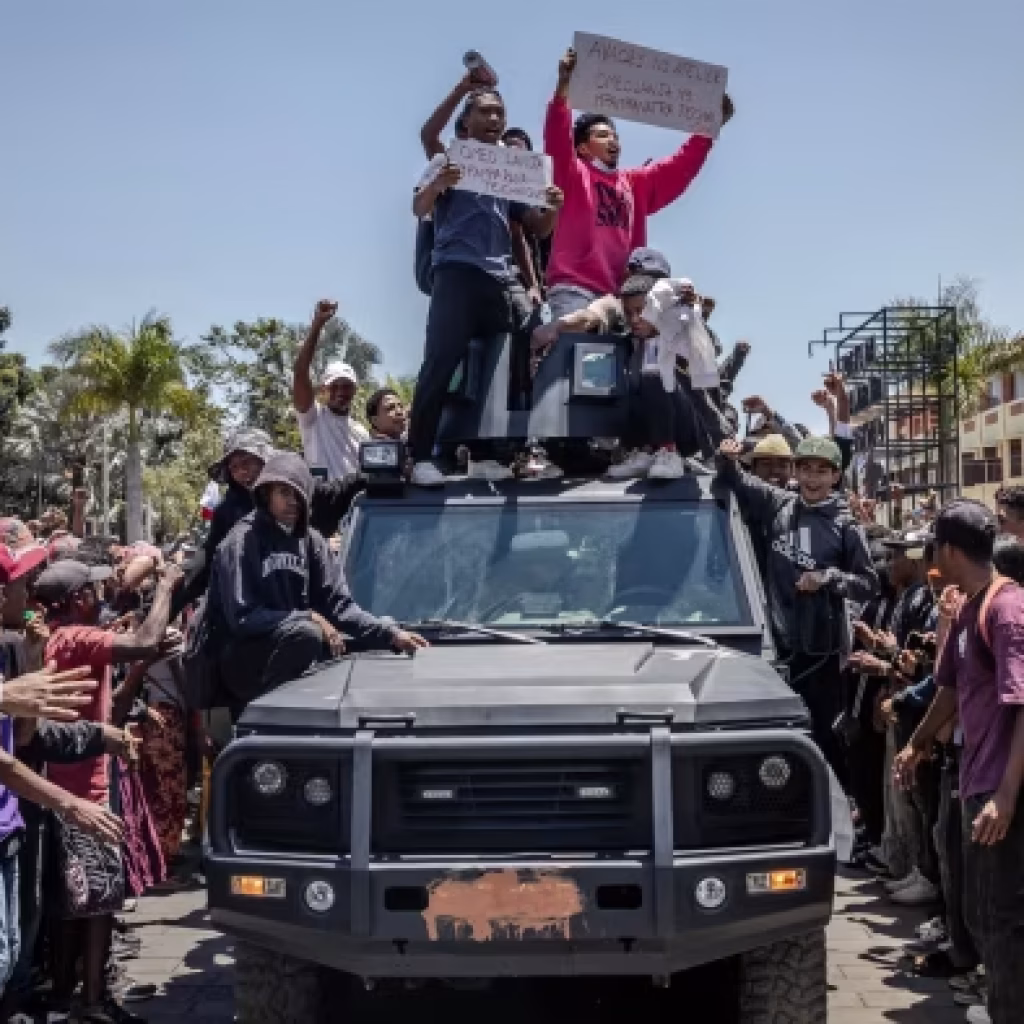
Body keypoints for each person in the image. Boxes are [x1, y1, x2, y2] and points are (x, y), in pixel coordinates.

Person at [33, 557, 181, 1022]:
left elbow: (111, 711)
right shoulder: (79, 638)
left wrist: (142, 665)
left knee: (72, 905)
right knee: (98, 903)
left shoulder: (57, 640)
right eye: (92, 591)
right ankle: (93, 1001)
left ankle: (65, 993)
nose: (100, 595)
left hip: (57, 787)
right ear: (78, 600)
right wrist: (167, 587)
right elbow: (144, 640)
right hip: (85, 791)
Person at [893, 501, 1024, 1024]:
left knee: (1001, 916)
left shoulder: (1007, 609)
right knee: (976, 911)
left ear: (947, 550)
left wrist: (1007, 796)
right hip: (978, 782)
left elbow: (1022, 703)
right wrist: (916, 744)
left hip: (1001, 789)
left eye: (934, 548)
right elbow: (948, 690)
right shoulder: (969, 607)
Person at [407, 86, 563, 487]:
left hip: (498, 279)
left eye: (500, 113)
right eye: (487, 112)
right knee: (441, 362)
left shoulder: (508, 173)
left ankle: (490, 453)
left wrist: (553, 210)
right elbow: (419, 207)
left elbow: (535, 227)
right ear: (466, 120)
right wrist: (439, 183)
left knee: (506, 359)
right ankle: (420, 455)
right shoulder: (448, 159)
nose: (495, 120)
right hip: (456, 273)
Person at [207, 451, 428, 718]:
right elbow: (243, 618)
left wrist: (391, 633)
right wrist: (310, 617)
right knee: (307, 633)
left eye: (298, 495)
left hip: (292, 651)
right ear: (266, 494)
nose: (292, 502)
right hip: (245, 661)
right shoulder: (241, 541)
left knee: (372, 646)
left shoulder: (311, 541)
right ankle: (266, 718)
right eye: (283, 492)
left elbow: (341, 607)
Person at [716, 435, 878, 777]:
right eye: (805, 469)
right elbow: (737, 481)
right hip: (775, 644)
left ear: (835, 476)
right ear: (795, 471)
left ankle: (831, 811)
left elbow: (868, 585)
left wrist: (828, 578)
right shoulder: (778, 503)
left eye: (822, 471)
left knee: (823, 737)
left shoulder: (846, 525)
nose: (812, 478)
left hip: (822, 653)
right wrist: (726, 457)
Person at [543, 47, 733, 319]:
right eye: (602, 135)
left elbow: (679, 168)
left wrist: (708, 129)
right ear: (583, 148)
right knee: (572, 354)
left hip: (622, 297)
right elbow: (557, 137)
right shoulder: (571, 173)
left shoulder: (634, 184)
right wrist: (563, 87)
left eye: (615, 136)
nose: (613, 141)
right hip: (575, 290)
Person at [172, 426, 273, 617]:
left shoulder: (297, 498)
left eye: (247, 462)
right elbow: (206, 563)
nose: (242, 472)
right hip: (248, 608)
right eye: (234, 467)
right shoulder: (227, 512)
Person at [292, 300, 369, 481]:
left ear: (355, 390)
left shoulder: (361, 432)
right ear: (323, 390)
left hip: (353, 506)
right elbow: (300, 372)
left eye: (347, 386)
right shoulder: (312, 418)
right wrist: (317, 324)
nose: (341, 391)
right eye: (334, 386)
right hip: (323, 504)